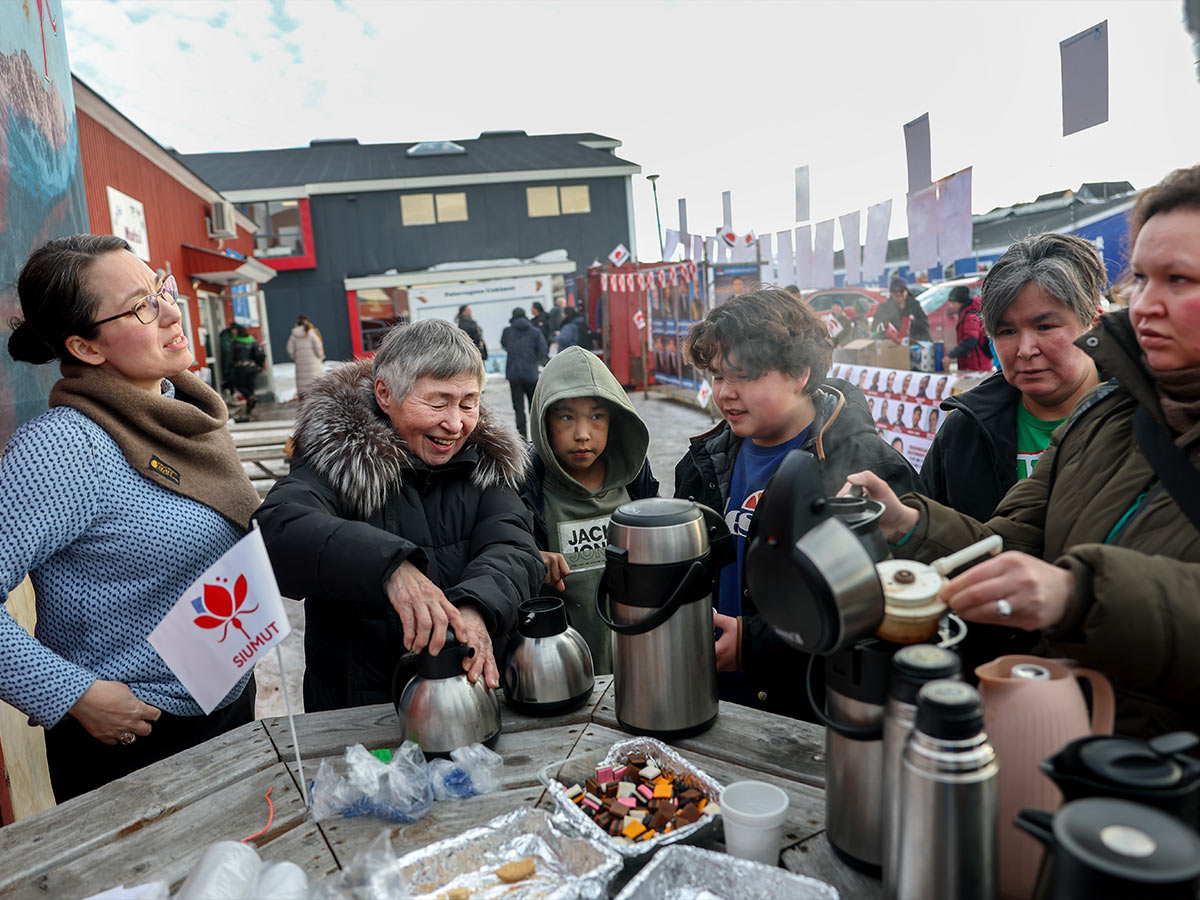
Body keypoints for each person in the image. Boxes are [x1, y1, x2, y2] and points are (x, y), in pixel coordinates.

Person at [848, 164, 1200, 738]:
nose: (1145, 304)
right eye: (1140, 278)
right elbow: (1009, 541)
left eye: (1179, 280)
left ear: (1090, 318)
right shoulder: (1099, 419)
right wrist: (908, 522)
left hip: (1167, 779)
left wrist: (1079, 593)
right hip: (1061, 739)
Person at [0, 235, 260, 801]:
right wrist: (71, 694)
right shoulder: (65, 448)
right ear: (86, 348)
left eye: (162, 289)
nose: (172, 312)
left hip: (226, 694)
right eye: (143, 306)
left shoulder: (185, 415)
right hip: (135, 737)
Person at [254, 319, 542, 712]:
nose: (455, 424)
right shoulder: (337, 460)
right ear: (385, 393)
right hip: (360, 715)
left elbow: (513, 546)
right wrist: (391, 568)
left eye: (468, 402)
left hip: (470, 700)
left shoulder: (485, 462)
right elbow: (276, 529)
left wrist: (477, 606)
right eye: (437, 403)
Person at [674, 287, 921, 720]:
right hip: (713, 697)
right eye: (716, 375)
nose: (726, 393)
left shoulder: (868, 471)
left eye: (745, 376)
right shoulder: (700, 464)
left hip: (814, 713)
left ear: (800, 373)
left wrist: (753, 644)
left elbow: (880, 609)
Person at [921, 233, 1105, 521]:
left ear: (1093, 324)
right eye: (1007, 332)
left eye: (1045, 326)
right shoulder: (965, 432)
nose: (1025, 350)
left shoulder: (1143, 418)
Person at [519, 346, 658, 674]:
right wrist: (529, 558)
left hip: (637, 666)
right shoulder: (524, 488)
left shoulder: (635, 479)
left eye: (597, 416)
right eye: (566, 417)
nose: (582, 434)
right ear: (543, 419)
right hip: (561, 672)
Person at [500, 307, 547, 439]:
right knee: (535, 407)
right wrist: (533, 360)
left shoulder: (507, 331)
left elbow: (503, 344)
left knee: (518, 408)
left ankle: (522, 437)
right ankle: (538, 435)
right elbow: (543, 350)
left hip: (514, 374)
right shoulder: (535, 331)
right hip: (531, 374)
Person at [946, 286, 994, 372]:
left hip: (977, 365)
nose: (951, 306)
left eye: (953, 303)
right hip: (972, 364)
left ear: (960, 303)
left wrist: (951, 355)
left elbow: (970, 341)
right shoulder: (965, 314)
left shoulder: (970, 316)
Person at [873, 275, 931, 342]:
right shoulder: (883, 308)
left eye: (901, 291)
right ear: (891, 293)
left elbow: (924, 325)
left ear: (906, 292)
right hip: (890, 346)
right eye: (895, 291)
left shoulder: (914, 305)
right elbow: (875, 328)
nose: (898, 293)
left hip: (913, 344)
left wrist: (913, 322)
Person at [230, 324, 265, 420]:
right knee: (250, 387)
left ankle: (250, 398)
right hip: (252, 368)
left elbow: (231, 357)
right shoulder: (252, 340)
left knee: (240, 385)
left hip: (241, 368)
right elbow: (259, 354)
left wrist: (229, 367)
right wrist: (259, 365)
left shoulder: (235, 342)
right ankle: (249, 407)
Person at [286, 314, 325, 399]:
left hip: (300, 363)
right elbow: (318, 347)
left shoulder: (293, 335)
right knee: (314, 382)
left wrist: (295, 358)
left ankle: (303, 398)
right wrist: (320, 356)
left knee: (302, 383)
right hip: (313, 362)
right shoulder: (311, 333)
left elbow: (290, 349)